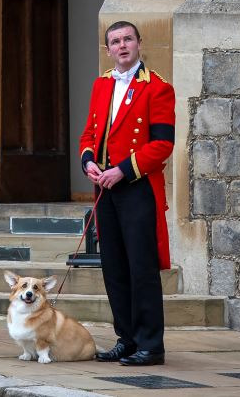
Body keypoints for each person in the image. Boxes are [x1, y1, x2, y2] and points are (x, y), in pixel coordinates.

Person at [79, 21, 175, 366]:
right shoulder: (102, 84)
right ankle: (127, 338)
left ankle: (151, 344)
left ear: (138, 43)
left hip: (136, 187)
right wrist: (89, 162)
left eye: (127, 40)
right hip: (105, 188)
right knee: (114, 267)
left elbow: (163, 143)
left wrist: (122, 169)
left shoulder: (158, 88)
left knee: (141, 268)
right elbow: (90, 132)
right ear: (108, 49)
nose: (122, 46)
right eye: (115, 41)